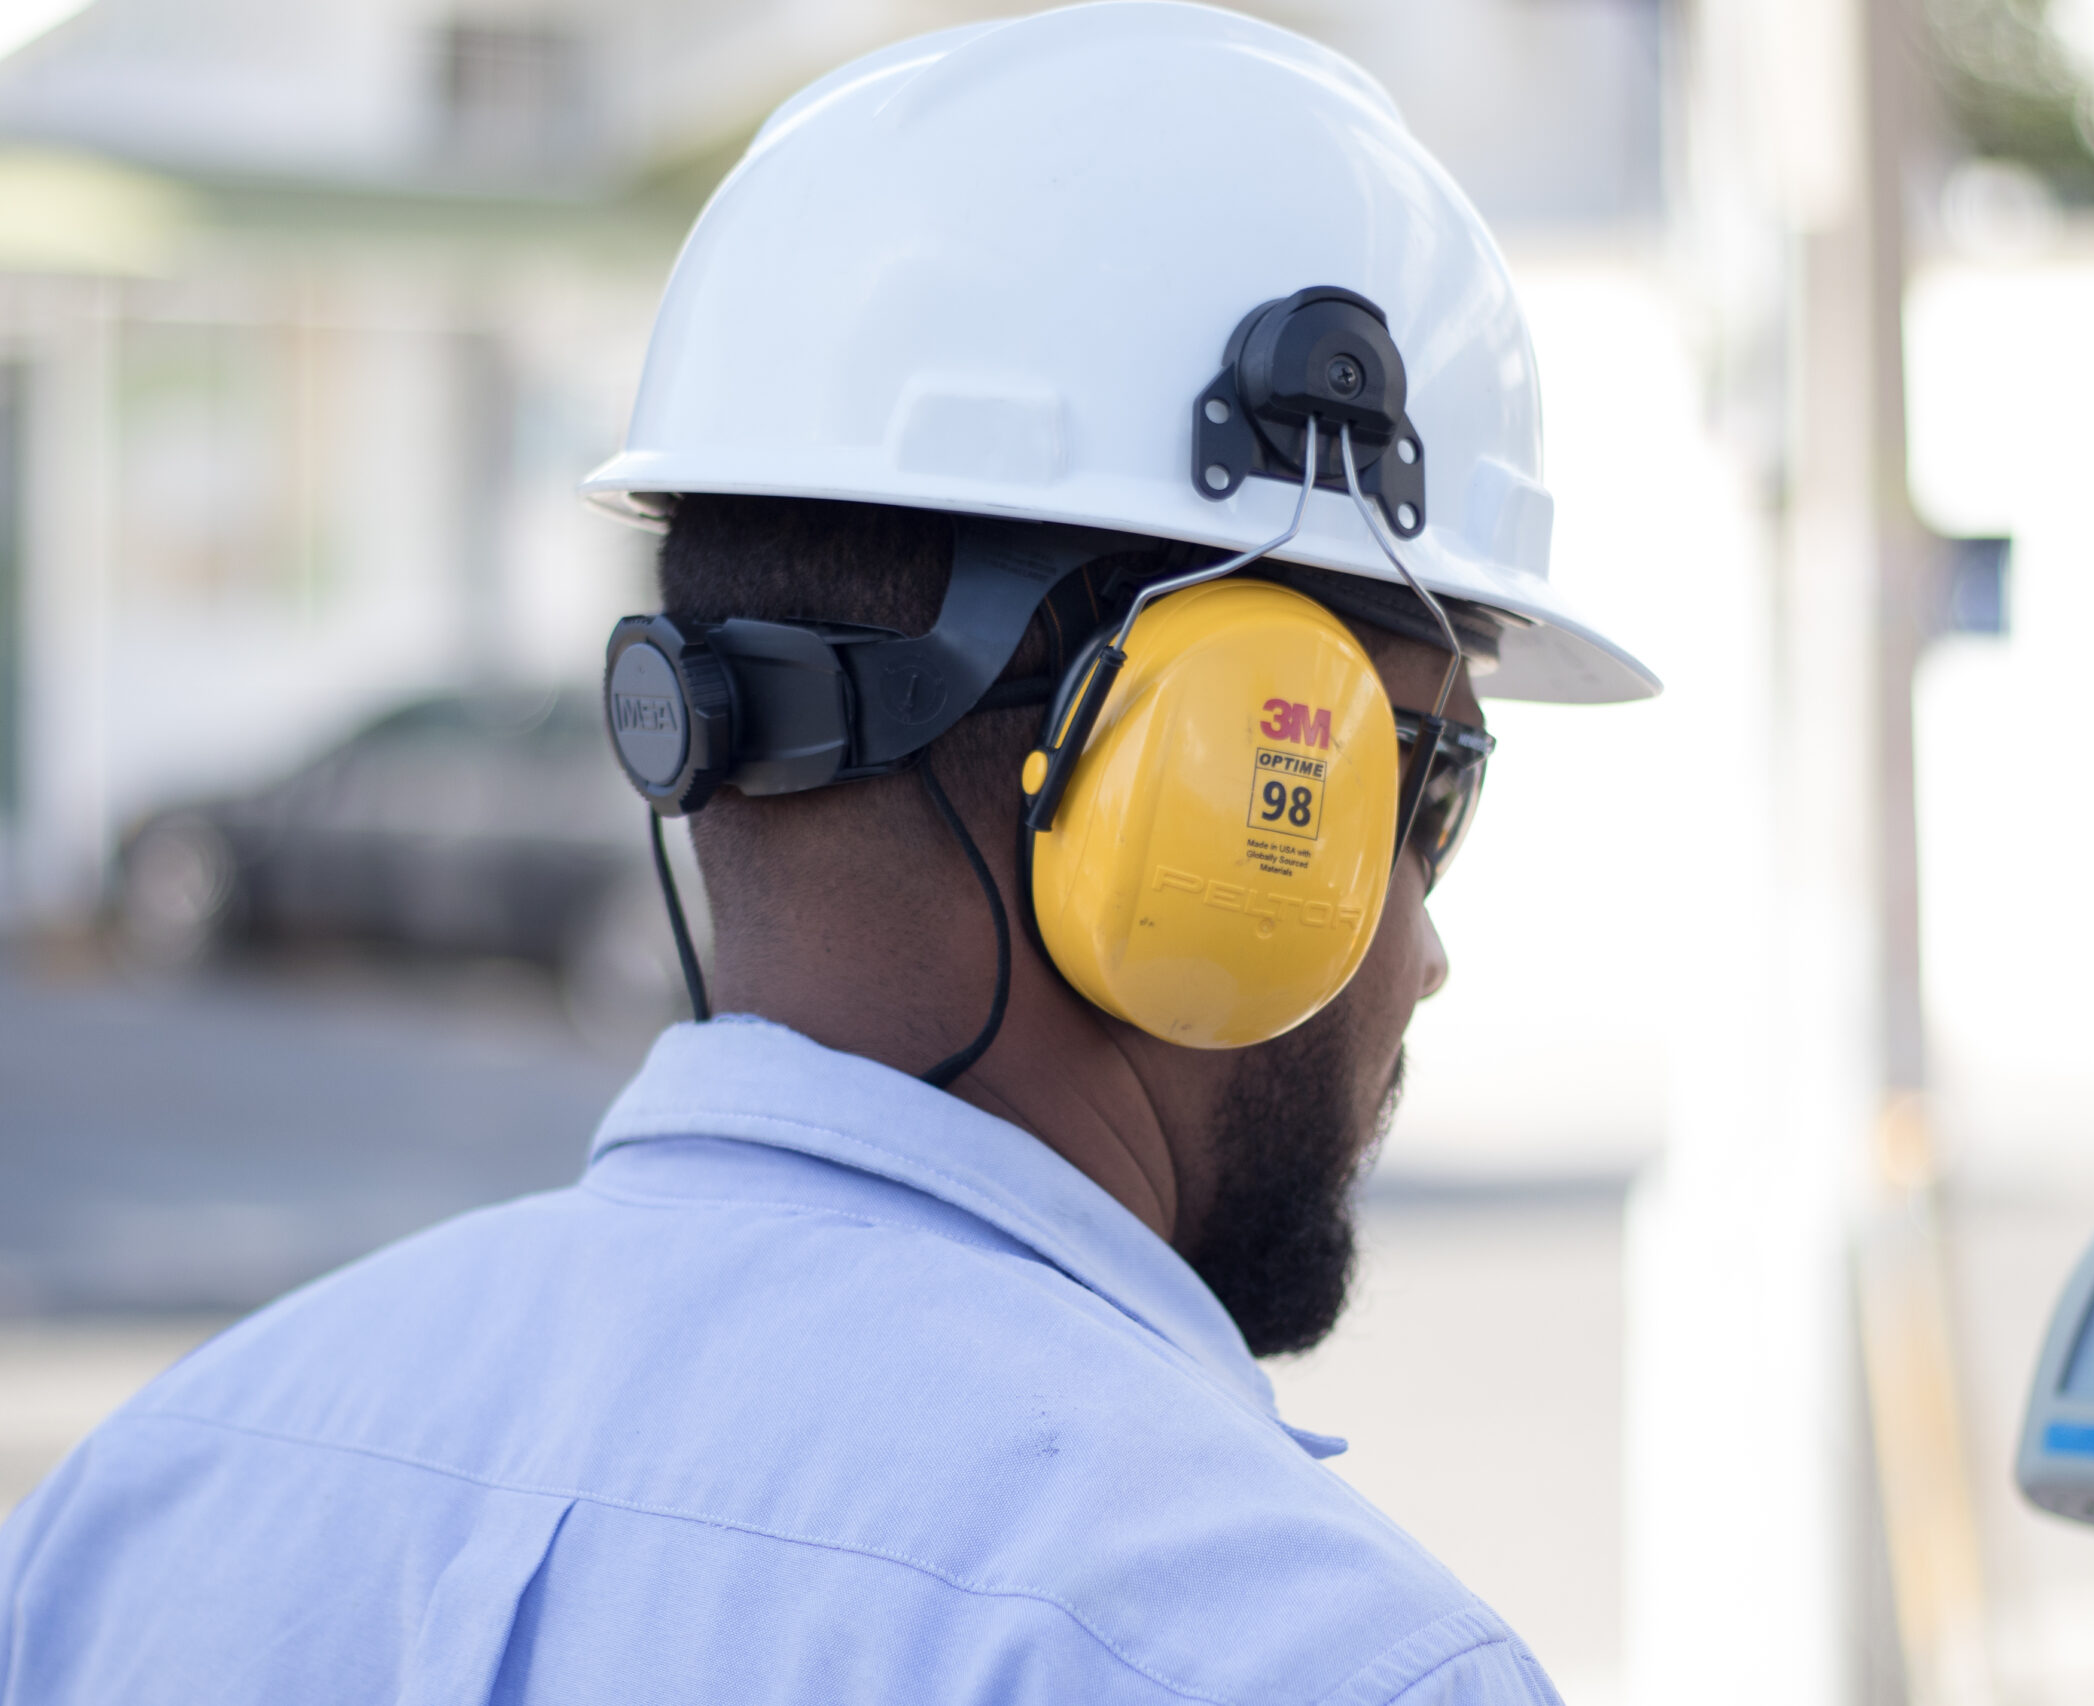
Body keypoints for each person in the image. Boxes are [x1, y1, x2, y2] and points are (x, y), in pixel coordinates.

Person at [0, 7, 1656, 1702]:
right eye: (1422, 791)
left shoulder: (130, 1514)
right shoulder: (1316, 1660)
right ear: (1206, 766)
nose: (1426, 949)